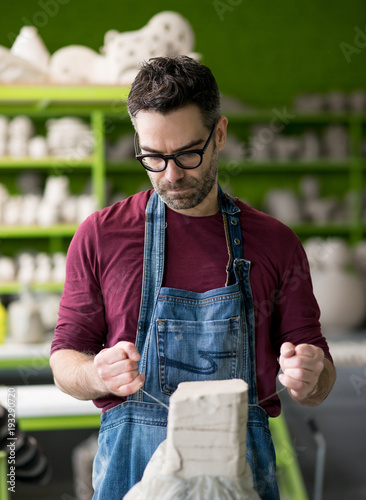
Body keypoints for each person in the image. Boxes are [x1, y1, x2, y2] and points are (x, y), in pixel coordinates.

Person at [50, 56, 336, 500]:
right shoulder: (100, 236)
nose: (172, 175)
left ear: (219, 134)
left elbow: (320, 377)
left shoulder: (276, 243)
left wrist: (310, 375)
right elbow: (64, 359)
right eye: (153, 157)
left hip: (237, 476)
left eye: (187, 153)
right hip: (133, 471)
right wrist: (97, 374)